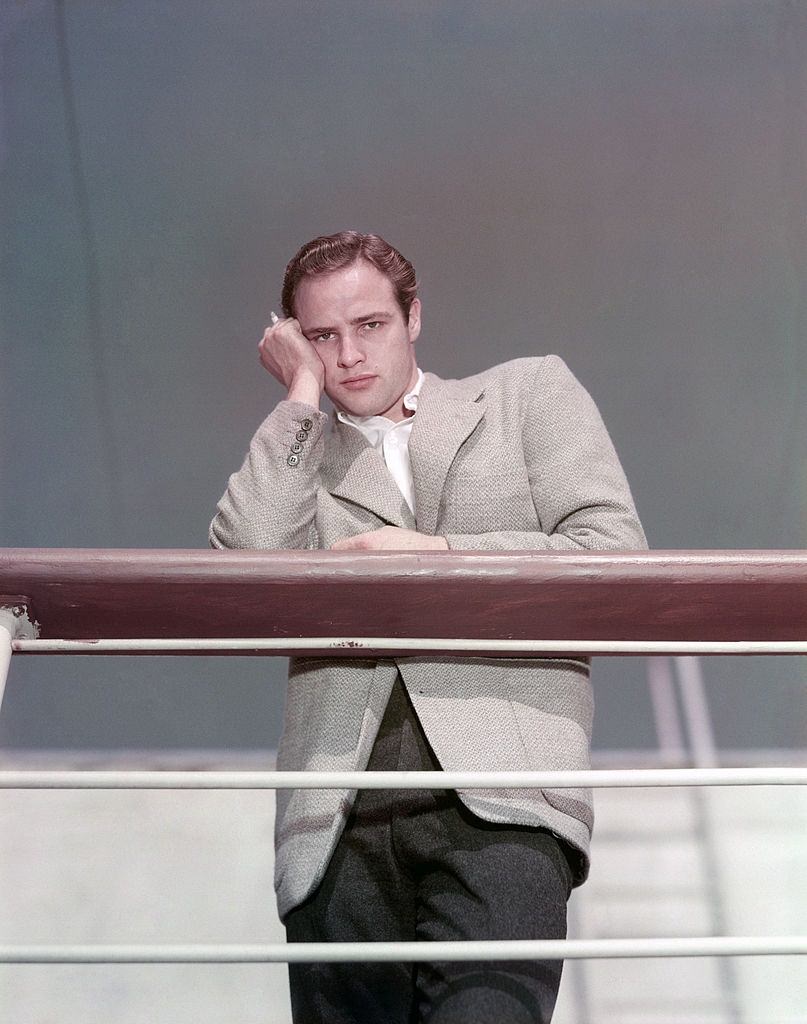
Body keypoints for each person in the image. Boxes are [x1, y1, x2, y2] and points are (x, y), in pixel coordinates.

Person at [210, 230, 646, 1023]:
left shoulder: (526, 394)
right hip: (335, 815)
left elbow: (610, 550)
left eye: (369, 325)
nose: (347, 355)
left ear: (414, 317)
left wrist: (437, 554)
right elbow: (243, 565)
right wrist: (298, 396)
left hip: (501, 800)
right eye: (320, 338)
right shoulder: (299, 454)